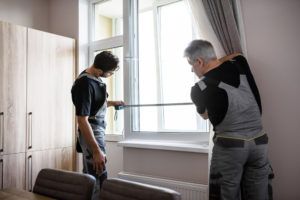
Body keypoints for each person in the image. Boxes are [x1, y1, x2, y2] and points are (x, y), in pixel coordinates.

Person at [184, 40, 273, 200]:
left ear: (199, 62)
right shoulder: (239, 64)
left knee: (224, 196)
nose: (192, 69)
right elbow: (236, 55)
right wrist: (217, 61)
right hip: (259, 144)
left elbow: (205, 115)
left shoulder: (198, 89)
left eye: (191, 64)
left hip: (230, 148)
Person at [71, 51, 124, 199]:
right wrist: (95, 151)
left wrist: (113, 103)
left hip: (97, 129)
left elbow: (94, 105)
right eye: (111, 72)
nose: (111, 75)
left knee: (91, 174)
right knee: (98, 175)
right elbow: (82, 119)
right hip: (91, 130)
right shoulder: (85, 83)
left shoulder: (94, 78)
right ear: (100, 70)